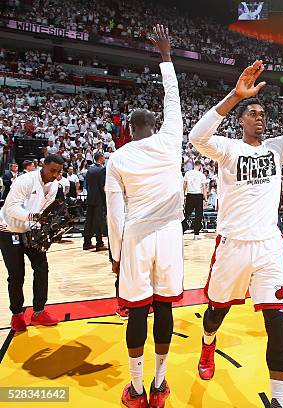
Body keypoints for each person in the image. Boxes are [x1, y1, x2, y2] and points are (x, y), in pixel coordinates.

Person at [188, 35, 283, 408]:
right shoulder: (228, 148)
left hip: (268, 246)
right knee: (216, 311)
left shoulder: (277, 147)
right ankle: (207, 344)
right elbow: (197, 135)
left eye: (263, 114)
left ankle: (279, 401)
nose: (260, 116)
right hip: (232, 243)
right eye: (253, 113)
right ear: (241, 121)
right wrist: (235, 95)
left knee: (277, 326)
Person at [105, 25, 182, 408]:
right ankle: (160, 384)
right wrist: (165, 56)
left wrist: (116, 255)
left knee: (137, 311)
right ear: (154, 124)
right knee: (165, 307)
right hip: (169, 235)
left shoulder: (117, 158)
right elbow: (174, 100)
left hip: (134, 236)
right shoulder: (171, 140)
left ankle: (135, 390)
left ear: (130, 129)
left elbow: (114, 213)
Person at [0, 154, 64, 331]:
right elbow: (11, 208)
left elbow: (44, 211)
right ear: (42, 166)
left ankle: (39, 311)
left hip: (30, 230)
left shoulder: (55, 185)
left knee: (42, 268)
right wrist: (34, 218)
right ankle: (16, 314)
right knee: (16, 274)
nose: (55, 174)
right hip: (9, 229)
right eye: (52, 170)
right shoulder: (25, 180)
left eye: (59, 172)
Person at [83, 153, 107, 251]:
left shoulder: (89, 169)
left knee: (88, 221)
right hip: (99, 200)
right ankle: (99, 243)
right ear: (101, 158)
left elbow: (87, 184)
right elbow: (103, 186)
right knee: (98, 222)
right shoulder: (102, 169)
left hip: (90, 198)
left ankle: (87, 242)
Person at [182, 161, 207, 239]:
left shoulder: (187, 173)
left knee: (186, 214)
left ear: (194, 165)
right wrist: (205, 199)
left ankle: (181, 231)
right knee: (198, 216)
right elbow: (204, 188)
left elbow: (184, 185)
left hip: (189, 195)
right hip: (198, 195)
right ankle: (196, 235)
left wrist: (183, 195)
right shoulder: (201, 175)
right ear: (200, 166)